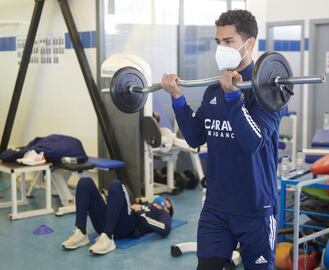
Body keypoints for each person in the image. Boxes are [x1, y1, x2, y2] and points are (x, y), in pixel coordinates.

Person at [161, 9, 285, 270]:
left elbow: (253, 142)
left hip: (255, 209)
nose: (221, 49)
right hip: (216, 208)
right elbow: (195, 137)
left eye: (228, 42)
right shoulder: (214, 91)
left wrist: (233, 99)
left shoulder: (270, 92)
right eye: (218, 42)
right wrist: (177, 99)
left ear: (249, 44)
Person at [62, 177, 173, 255]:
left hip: (125, 227)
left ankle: (108, 238)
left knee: (116, 184)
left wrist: (140, 214)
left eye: (167, 202)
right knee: (85, 182)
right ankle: (81, 232)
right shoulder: (146, 205)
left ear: (168, 210)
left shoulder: (162, 214)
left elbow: (165, 229)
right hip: (105, 224)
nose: (164, 200)